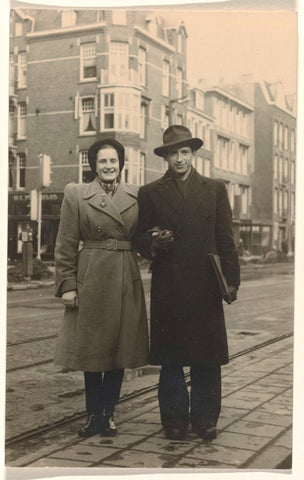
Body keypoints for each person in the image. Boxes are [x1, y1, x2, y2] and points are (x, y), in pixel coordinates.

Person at [133, 125, 240, 441]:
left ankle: (206, 419)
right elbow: (138, 237)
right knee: (171, 358)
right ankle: (175, 420)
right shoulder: (150, 192)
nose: (178, 159)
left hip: (206, 282)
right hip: (169, 283)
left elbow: (225, 238)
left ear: (193, 154)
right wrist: (154, 242)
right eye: (172, 153)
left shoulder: (215, 189)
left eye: (184, 152)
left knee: (207, 356)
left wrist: (231, 281)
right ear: (165, 157)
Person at [54, 138, 149, 438]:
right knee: (93, 351)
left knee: (120, 348)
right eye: (103, 161)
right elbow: (66, 242)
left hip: (125, 273)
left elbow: (145, 237)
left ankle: (108, 414)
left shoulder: (137, 195)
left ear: (122, 164)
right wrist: (67, 285)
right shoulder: (77, 194)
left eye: (114, 161)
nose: (109, 166)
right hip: (91, 274)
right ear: (93, 165)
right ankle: (93, 414)